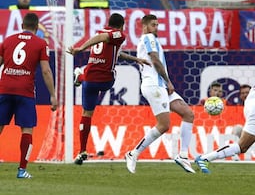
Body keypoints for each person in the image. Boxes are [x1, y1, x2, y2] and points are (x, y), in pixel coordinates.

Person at [67, 13, 150, 164]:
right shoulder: (118, 34)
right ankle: (79, 75)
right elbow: (103, 39)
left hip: (89, 79)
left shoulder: (101, 32)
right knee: (111, 75)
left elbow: (116, 53)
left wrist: (136, 59)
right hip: (105, 80)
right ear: (122, 25)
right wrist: (81, 48)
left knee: (86, 114)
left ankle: (81, 151)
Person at [125, 14, 196, 174]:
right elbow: (155, 60)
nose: (156, 28)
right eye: (153, 25)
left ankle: (183, 155)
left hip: (160, 85)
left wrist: (165, 83)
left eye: (157, 25)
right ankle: (133, 153)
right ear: (145, 26)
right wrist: (168, 81)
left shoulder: (151, 39)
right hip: (154, 84)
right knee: (164, 125)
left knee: (188, 114)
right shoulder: (148, 37)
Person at [0, 13, 58, 178]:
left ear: (22, 25)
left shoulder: (8, 40)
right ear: (36, 27)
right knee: (27, 130)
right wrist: (52, 95)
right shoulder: (40, 43)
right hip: (25, 91)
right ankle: (22, 170)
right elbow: (46, 71)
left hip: (4, 88)